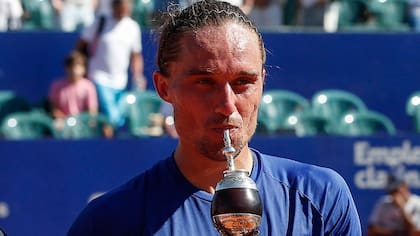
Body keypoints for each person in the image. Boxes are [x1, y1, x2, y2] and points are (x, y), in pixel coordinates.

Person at [67, 1, 361, 235]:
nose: (227, 105)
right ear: (164, 88)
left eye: (243, 82)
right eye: (204, 83)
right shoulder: (109, 222)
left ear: (262, 83)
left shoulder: (320, 199)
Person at [76, 0, 146, 128]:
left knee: (115, 120)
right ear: (114, 6)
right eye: (121, 6)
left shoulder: (133, 27)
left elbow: (136, 56)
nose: (124, 10)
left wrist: (138, 75)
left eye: (127, 6)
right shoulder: (100, 22)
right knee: (112, 119)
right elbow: (80, 46)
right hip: (98, 78)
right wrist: (80, 70)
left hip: (121, 82)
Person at [48, 51, 98, 122]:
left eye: (78, 67)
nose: (74, 70)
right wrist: (66, 121)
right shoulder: (56, 85)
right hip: (62, 123)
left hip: (83, 124)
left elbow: (92, 112)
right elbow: (54, 109)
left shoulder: (89, 86)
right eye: (71, 67)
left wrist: (89, 123)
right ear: (66, 68)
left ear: (84, 69)